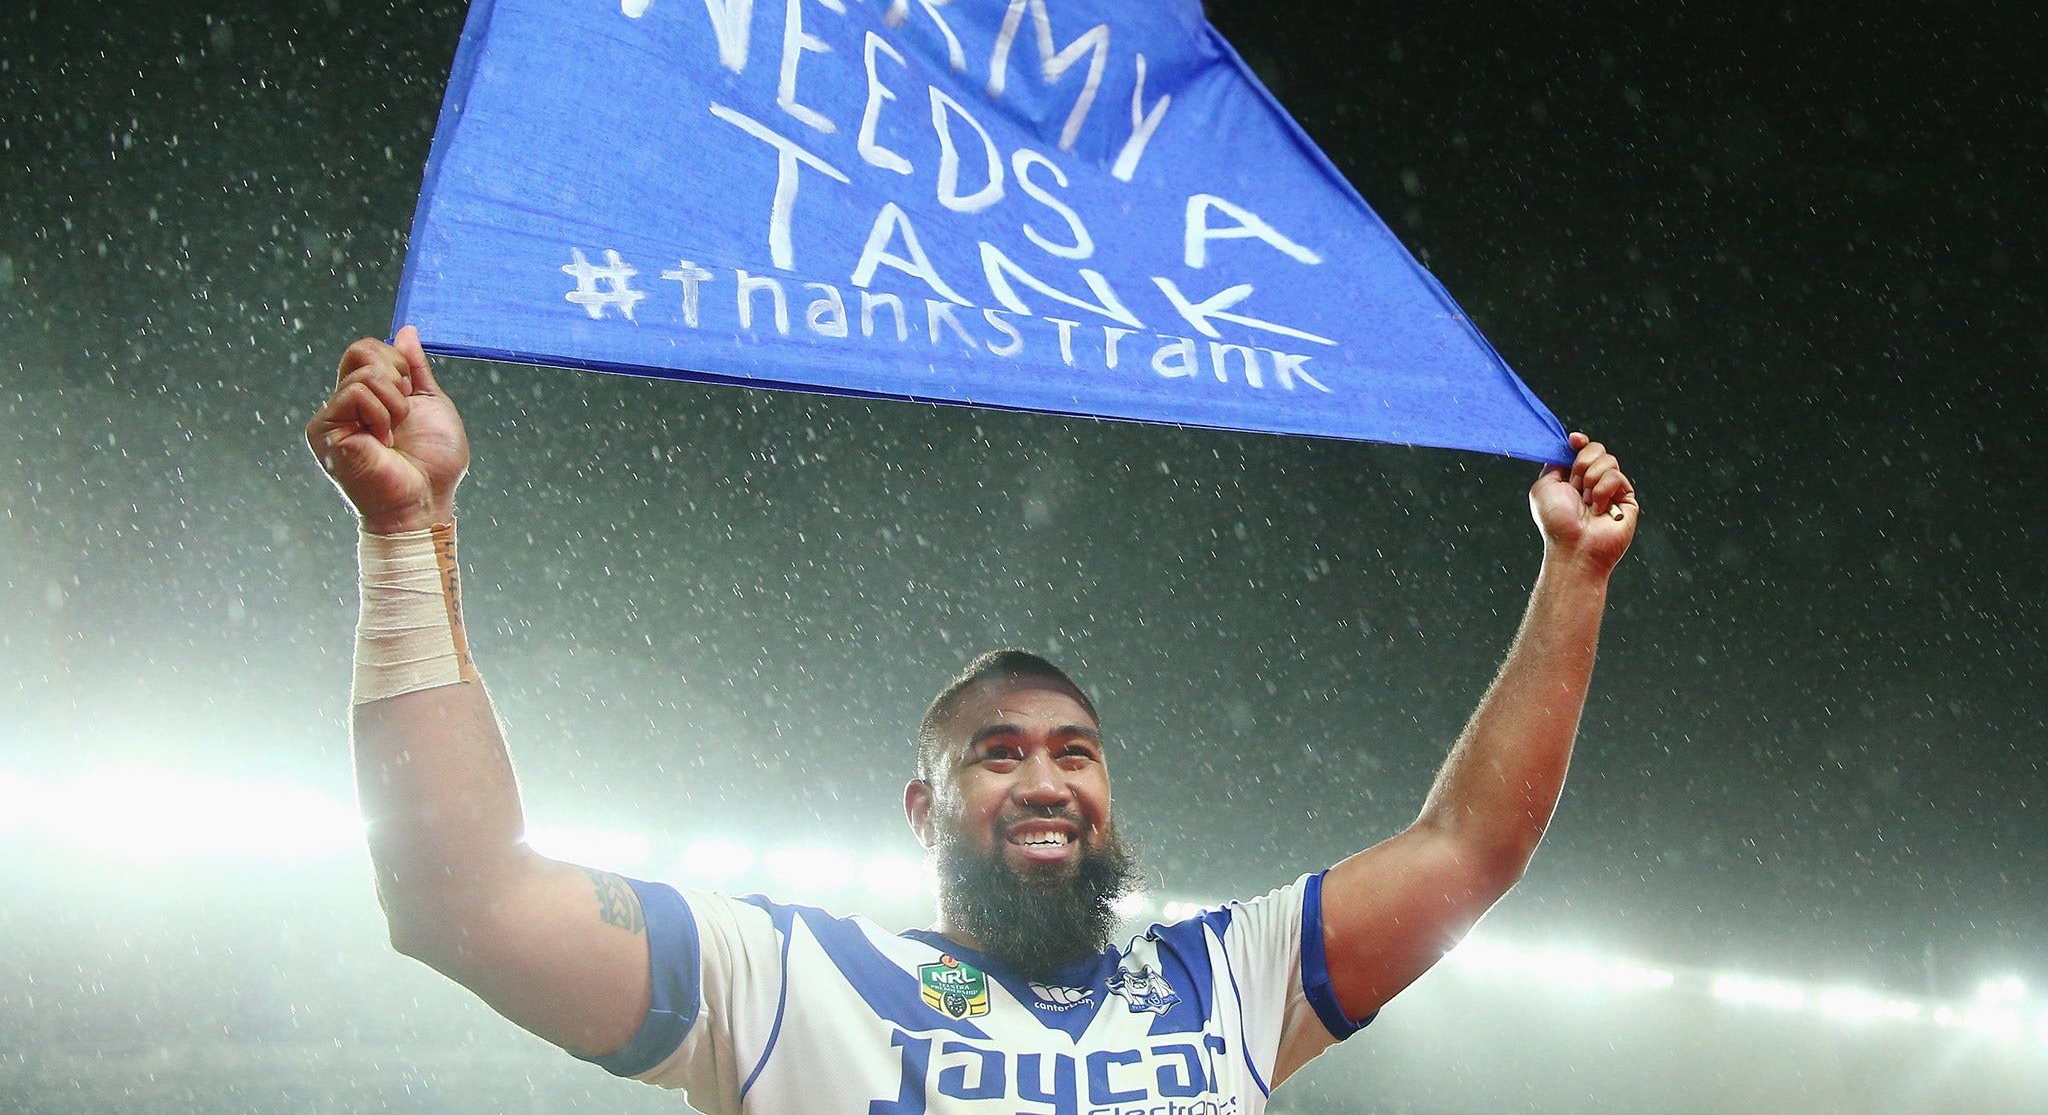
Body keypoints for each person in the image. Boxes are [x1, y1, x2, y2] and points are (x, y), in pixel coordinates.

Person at [308, 325, 1637, 1111]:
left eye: (1074, 752)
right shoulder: (785, 986)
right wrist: (408, 531)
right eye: (994, 756)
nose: (1046, 778)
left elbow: (1470, 849)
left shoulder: (1223, 981)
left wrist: (1573, 575)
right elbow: (459, 898)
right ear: (922, 808)